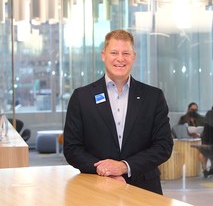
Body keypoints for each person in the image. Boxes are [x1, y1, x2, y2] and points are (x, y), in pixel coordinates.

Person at [63, 29, 173, 195]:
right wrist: (105, 170)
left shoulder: (153, 97)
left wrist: (124, 166)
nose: (120, 58)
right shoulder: (82, 97)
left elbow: (163, 146)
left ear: (133, 56)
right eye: (114, 52)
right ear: (103, 55)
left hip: (144, 191)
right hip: (96, 190)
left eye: (126, 53)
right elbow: (72, 148)